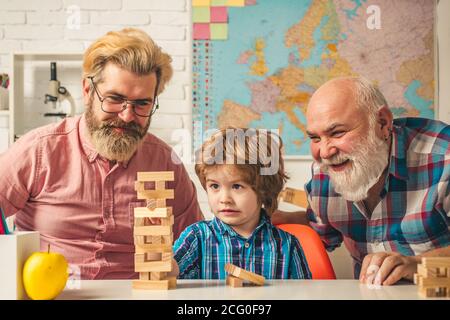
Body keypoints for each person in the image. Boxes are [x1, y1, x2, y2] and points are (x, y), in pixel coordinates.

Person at [0, 28, 203, 279]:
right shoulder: (38, 151)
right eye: (115, 99)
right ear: (87, 91)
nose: (127, 116)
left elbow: (199, 244)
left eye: (142, 104)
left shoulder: (165, 162)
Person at [272, 76, 449, 285]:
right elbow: (320, 230)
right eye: (315, 138)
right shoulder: (325, 174)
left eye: (337, 133)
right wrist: (271, 216)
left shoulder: (444, 158)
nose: (325, 152)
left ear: (382, 123)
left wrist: (418, 265)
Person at [173, 128, 312, 279]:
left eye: (237, 186)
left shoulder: (287, 246)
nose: (224, 198)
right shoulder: (196, 237)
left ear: (264, 190)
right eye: (215, 186)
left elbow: (304, 294)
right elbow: (168, 275)